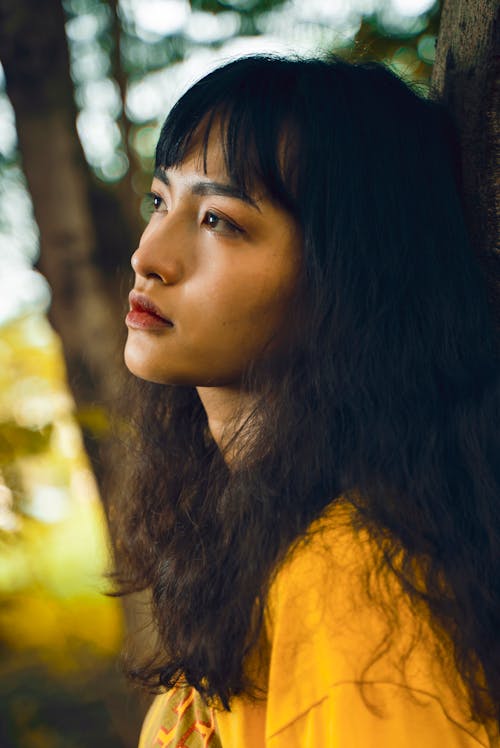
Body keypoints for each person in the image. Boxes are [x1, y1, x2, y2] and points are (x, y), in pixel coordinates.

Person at [115, 54, 500, 747]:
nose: (149, 256)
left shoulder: (356, 588)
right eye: (161, 202)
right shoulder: (256, 538)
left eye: (220, 221)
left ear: (346, 279)